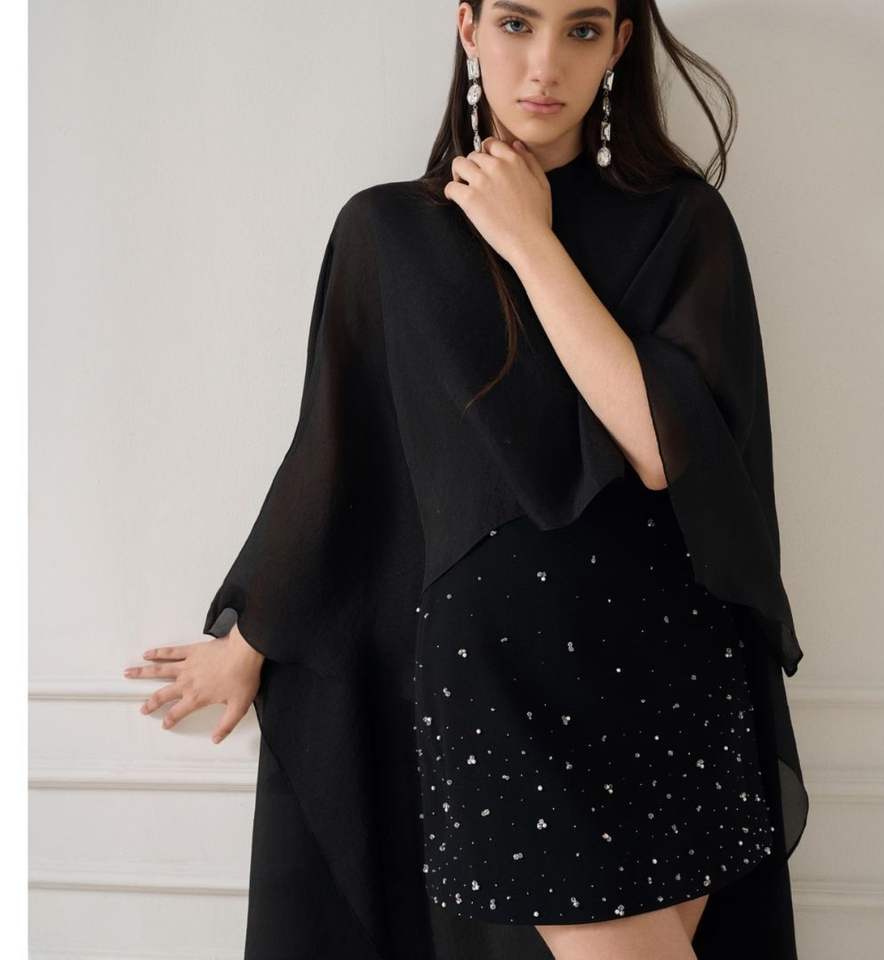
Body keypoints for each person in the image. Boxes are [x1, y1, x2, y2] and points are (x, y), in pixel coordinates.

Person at [123, 2, 809, 958]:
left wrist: (530, 239)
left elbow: (663, 448)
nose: (544, 63)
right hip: (506, 682)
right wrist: (253, 636)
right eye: (518, 23)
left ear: (619, 43)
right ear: (469, 29)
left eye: (581, 29)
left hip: (672, 671)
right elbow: (338, 454)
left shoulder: (684, 221)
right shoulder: (388, 232)